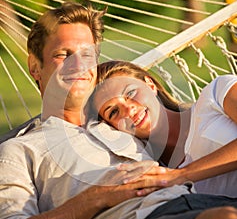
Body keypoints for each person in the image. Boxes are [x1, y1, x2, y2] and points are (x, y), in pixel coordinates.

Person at [1, 3, 237, 219]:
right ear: (35, 67)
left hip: (199, 201)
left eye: (87, 55)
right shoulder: (20, 150)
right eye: (63, 54)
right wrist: (98, 196)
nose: (78, 64)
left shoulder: (118, 125)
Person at [93, 60, 237, 197]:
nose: (128, 111)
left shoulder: (215, 94)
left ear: (150, 85)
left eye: (130, 93)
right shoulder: (153, 173)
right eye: (113, 112)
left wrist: (182, 175)